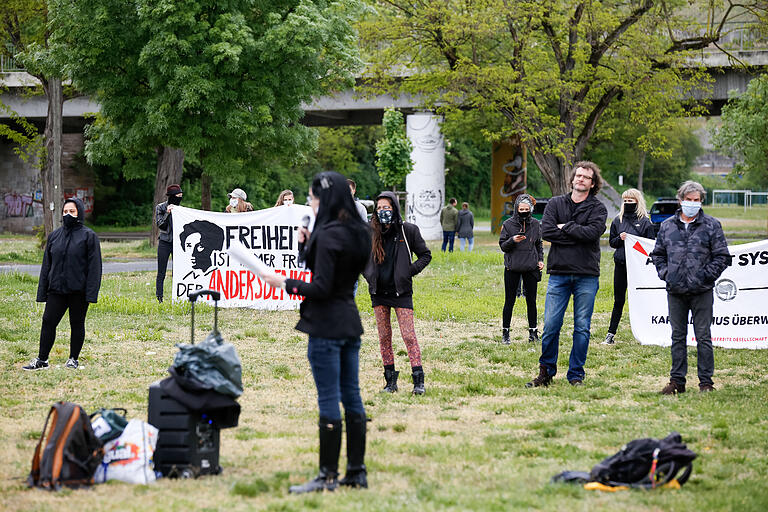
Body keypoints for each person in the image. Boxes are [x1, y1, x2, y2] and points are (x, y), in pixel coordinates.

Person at [263, 171, 372, 493]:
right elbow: (335, 274)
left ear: (324, 199)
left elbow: (321, 285)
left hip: (325, 324)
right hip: (350, 321)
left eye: (312, 198)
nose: (309, 204)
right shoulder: (358, 231)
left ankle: (327, 475)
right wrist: (306, 246)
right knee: (351, 394)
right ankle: (356, 471)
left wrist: (285, 283)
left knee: (328, 397)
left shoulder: (328, 235)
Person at [526, 161, 607, 388]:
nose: (580, 179)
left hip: (587, 275)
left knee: (582, 327)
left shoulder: (598, 209)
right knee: (551, 324)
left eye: (586, 177)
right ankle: (546, 372)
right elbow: (547, 231)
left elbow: (592, 234)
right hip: (559, 274)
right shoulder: (555, 203)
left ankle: (576, 375)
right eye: (578, 175)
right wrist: (575, 232)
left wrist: (566, 227)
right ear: (572, 179)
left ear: (593, 184)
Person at [650, 181, 729, 394]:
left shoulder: (712, 225)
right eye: (689, 200)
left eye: (696, 200)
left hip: (701, 290)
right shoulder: (667, 226)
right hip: (675, 291)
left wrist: (705, 276)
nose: (692, 204)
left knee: (703, 336)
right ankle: (677, 381)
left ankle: (706, 382)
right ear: (680, 200)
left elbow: (722, 256)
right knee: (677, 336)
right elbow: (657, 254)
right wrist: (667, 274)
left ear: (701, 201)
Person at [363, 192, 432, 395]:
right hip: (378, 293)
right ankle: (390, 381)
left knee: (409, 336)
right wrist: (369, 274)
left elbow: (425, 255)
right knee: (384, 337)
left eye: (387, 207)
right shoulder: (369, 231)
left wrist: (408, 272)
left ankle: (418, 380)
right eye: (380, 208)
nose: (383, 211)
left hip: (401, 292)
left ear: (395, 207)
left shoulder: (407, 230)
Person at [23, 198, 102, 371]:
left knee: (77, 323)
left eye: (72, 211)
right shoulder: (54, 236)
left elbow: (95, 268)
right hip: (56, 290)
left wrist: (91, 294)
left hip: (78, 291)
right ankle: (42, 360)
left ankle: (73, 359)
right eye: (65, 211)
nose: (68, 214)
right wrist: (42, 292)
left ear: (79, 213)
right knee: (48, 322)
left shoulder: (89, 236)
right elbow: (46, 266)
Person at [604, 188, 655, 345]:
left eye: (630, 201)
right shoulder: (617, 221)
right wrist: (620, 238)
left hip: (639, 268)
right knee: (618, 300)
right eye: (625, 201)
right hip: (620, 265)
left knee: (642, 300)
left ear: (637, 202)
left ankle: (647, 333)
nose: (627, 203)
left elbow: (650, 246)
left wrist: (635, 241)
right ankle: (610, 333)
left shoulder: (646, 222)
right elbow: (612, 242)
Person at [499, 194, 544, 345]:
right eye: (521, 209)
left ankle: (533, 332)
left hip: (531, 267)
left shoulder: (536, 224)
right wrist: (512, 240)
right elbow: (503, 246)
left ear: (530, 209)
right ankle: (505, 333)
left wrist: (540, 260)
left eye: (526, 209)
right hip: (512, 267)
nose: (524, 211)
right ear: (517, 209)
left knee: (531, 301)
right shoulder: (508, 224)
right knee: (509, 301)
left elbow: (539, 244)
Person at [155, 184, 182, 303]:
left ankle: (178, 296)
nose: (180, 198)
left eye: (181, 196)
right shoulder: (160, 207)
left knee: (178, 270)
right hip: (165, 242)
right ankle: (159, 297)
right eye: (178, 196)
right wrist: (168, 213)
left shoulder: (182, 210)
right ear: (171, 197)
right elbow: (161, 225)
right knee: (161, 271)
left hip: (177, 243)